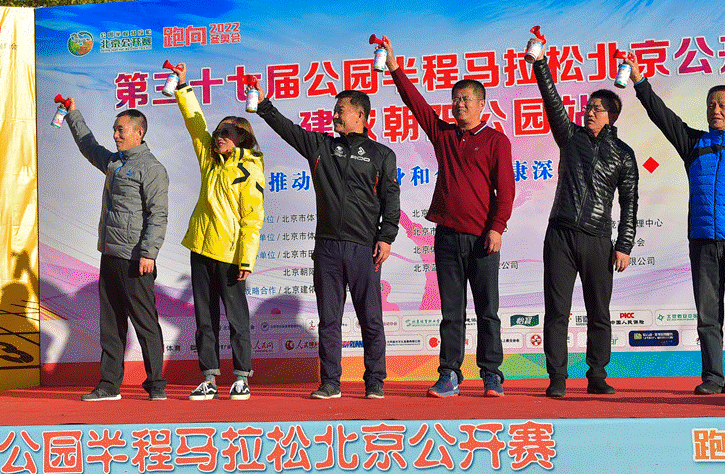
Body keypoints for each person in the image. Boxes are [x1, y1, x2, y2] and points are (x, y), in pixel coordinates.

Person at [623, 55, 725, 395]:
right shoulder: (694, 145)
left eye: (722, 105)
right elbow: (662, 116)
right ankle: (713, 378)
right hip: (703, 243)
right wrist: (639, 80)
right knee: (708, 317)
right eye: (710, 105)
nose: (715, 110)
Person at [381, 36, 515, 398]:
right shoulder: (444, 136)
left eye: (466, 99)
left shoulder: (496, 141)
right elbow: (416, 104)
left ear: (482, 104)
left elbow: (506, 191)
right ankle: (450, 373)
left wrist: (497, 228)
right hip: (446, 237)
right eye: (455, 99)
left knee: (488, 311)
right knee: (451, 312)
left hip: (483, 238)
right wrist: (394, 66)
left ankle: (492, 373)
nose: (459, 104)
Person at [251, 79, 399, 399]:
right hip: (327, 248)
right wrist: (263, 106)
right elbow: (288, 130)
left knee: (371, 318)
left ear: (360, 115)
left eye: (340, 110)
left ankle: (375, 380)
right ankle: (330, 382)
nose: (335, 115)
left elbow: (391, 201)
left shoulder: (381, 155)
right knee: (329, 320)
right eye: (334, 110)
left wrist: (386, 237)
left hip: (364, 249)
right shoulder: (321, 147)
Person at [528, 35, 639, 398]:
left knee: (599, 313)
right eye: (588, 107)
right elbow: (552, 101)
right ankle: (557, 378)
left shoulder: (623, 154)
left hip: (597, 239)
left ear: (612, 117)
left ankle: (597, 375)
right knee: (556, 311)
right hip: (560, 235)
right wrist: (541, 62)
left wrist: (624, 245)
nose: (589, 112)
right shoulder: (570, 137)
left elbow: (630, 203)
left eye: (597, 109)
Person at [171, 63, 264, 401]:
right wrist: (183, 87)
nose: (219, 135)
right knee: (204, 320)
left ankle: (241, 377)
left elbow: (252, 218)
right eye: (219, 130)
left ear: (243, 138)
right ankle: (208, 378)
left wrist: (246, 259)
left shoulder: (250, 169)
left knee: (237, 319)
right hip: (200, 248)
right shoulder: (209, 160)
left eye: (228, 131)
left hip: (230, 255)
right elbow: (196, 123)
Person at [65, 99, 169, 401]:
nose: (115, 135)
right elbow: (89, 147)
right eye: (114, 129)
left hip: (135, 259)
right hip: (110, 254)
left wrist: (149, 252)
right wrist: (73, 114)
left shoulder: (151, 168)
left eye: (121, 130)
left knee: (145, 322)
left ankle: (156, 384)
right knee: (110, 324)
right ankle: (109, 384)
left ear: (138, 133)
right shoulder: (115, 163)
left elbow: (158, 214)